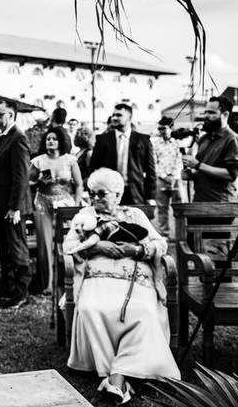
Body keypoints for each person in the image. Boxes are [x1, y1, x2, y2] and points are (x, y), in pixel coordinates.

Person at [63, 168, 179, 403]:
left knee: (143, 310)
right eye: (92, 193)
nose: (95, 198)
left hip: (134, 273)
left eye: (101, 193)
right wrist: (98, 247)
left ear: (117, 194)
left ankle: (116, 376)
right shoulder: (85, 215)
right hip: (97, 274)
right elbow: (69, 246)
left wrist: (136, 249)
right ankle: (118, 376)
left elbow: (160, 244)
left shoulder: (134, 214)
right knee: (90, 308)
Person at [0, 100, 33, 309]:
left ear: (11, 115)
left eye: (0, 114)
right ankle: (8, 288)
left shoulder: (18, 138)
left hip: (11, 208)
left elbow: (21, 177)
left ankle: (21, 293)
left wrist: (15, 207)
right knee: (4, 251)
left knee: (17, 250)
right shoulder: (2, 137)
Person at [29, 126, 83, 294]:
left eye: (54, 139)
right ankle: (48, 284)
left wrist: (76, 204)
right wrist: (38, 181)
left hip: (65, 204)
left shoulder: (70, 160)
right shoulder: (38, 161)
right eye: (48, 139)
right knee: (45, 244)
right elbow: (27, 182)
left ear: (61, 141)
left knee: (67, 241)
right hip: (43, 203)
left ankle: (68, 278)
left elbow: (79, 184)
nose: (50, 141)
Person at [90, 104, 156, 205]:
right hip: (109, 194)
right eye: (113, 115)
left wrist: (150, 197)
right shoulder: (102, 139)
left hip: (135, 193)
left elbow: (150, 171)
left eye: (119, 115)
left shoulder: (143, 140)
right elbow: (93, 167)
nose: (114, 118)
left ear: (129, 117)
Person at [182, 96, 238, 202]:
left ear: (225, 115)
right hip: (200, 201)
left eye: (211, 113)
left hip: (220, 204)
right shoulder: (204, 139)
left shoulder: (233, 140)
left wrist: (197, 165)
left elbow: (231, 174)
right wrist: (192, 175)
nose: (206, 116)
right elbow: (204, 170)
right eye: (205, 112)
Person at [152, 117, 184, 236]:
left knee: (180, 208)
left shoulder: (178, 143)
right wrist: (164, 176)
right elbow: (154, 162)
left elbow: (180, 160)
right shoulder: (155, 144)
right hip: (161, 179)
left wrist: (173, 176)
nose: (161, 131)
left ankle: (181, 236)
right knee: (162, 208)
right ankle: (164, 234)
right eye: (159, 129)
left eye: (163, 129)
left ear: (171, 128)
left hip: (176, 179)